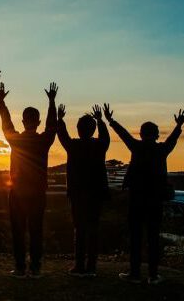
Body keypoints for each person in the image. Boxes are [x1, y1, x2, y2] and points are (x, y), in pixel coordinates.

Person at [103, 104, 184, 285]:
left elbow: (123, 134)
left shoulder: (136, 147)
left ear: (141, 134)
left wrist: (111, 120)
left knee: (135, 237)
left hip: (136, 199)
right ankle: (153, 275)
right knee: (153, 237)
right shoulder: (161, 150)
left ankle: (135, 273)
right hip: (155, 199)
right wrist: (178, 125)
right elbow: (172, 139)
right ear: (156, 135)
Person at [0, 82, 57, 278]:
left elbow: (6, 124)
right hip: (38, 193)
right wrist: (51, 102)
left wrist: (1, 103)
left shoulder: (16, 139)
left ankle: (21, 267)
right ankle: (36, 268)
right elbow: (52, 126)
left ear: (23, 121)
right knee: (36, 230)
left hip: (17, 192)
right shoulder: (43, 140)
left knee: (18, 231)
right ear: (37, 122)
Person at [57, 104, 110, 278]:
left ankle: (79, 266)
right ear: (93, 129)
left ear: (78, 130)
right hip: (96, 193)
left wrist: (60, 119)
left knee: (79, 229)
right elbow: (106, 137)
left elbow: (62, 135)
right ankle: (91, 267)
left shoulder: (73, 146)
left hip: (78, 194)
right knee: (93, 229)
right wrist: (100, 120)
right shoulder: (100, 145)